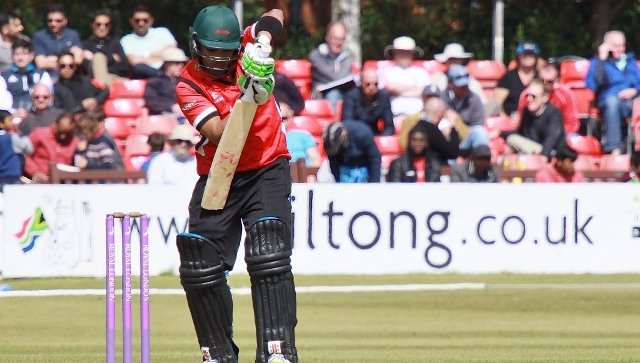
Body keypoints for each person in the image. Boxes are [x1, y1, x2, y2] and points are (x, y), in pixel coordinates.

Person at [175, 5, 298, 363]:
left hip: (266, 165)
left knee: (269, 250)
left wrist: (262, 40)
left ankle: (278, 353)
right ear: (196, 44)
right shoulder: (188, 84)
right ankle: (217, 353)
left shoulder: (247, 48)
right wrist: (251, 96)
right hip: (220, 172)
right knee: (199, 261)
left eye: (225, 53)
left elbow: (276, 12)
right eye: (210, 50)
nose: (217, 59)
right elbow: (217, 132)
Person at [586, 30, 640, 154]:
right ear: (607, 46)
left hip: (631, 100)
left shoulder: (630, 62)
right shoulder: (597, 62)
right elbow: (594, 84)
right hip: (608, 99)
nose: (620, 49)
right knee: (612, 102)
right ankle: (613, 149)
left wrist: (634, 90)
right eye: (616, 46)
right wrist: (601, 59)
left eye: (622, 45)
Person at [503, 79, 565, 160]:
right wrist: (500, 133)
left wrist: (544, 156)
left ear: (545, 98)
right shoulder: (526, 111)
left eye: (533, 96)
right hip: (532, 151)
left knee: (512, 139)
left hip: (551, 153)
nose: (529, 99)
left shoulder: (554, 113)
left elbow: (552, 137)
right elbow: (521, 134)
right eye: (527, 95)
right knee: (510, 141)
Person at [517, 62, 580, 134]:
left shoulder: (565, 95)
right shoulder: (527, 95)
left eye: (549, 81)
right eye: (542, 80)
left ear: (557, 81)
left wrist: (554, 134)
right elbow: (521, 123)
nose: (545, 84)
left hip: (560, 135)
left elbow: (572, 124)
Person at [120, 4, 178, 79]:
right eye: (137, 20)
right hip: (143, 76)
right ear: (131, 21)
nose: (141, 23)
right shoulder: (126, 40)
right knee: (138, 67)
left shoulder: (162, 32)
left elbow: (173, 52)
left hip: (168, 71)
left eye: (145, 20)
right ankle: (161, 76)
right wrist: (161, 55)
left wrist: (146, 56)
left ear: (151, 21)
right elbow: (134, 62)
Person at [380, 36, 431, 118]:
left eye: (408, 52)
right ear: (394, 53)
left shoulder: (421, 72)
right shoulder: (386, 71)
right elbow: (388, 87)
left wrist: (398, 90)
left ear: (412, 53)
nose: (404, 54)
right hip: (395, 115)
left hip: (420, 114)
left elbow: (426, 91)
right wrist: (415, 88)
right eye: (401, 51)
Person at [308, 21, 355, 111]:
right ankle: (334, 124)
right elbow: (333, 76)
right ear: (327, 38)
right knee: (334, 94)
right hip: (322, 95)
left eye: (342, 39)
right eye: (336, 39)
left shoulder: (347, 57)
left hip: (345, 92)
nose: (339, 43)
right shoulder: (317, 56)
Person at [0, 38, 53, 115]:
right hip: (13, 115)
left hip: (38, 114)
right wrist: (14, 112)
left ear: (31, 56)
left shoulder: (42, 75)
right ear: (12, 56)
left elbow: (48, 98)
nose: (20, 58)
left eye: (24, 54)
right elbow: (2, 103)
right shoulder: (4, 77)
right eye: (16, 54)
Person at [399, 96, 460, 163]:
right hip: (431, 170)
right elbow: (452, 153)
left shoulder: (416, 126)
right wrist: (453, 129)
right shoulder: (431, 130)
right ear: (440, 112)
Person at [443, 64, 490, 151]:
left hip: (465, 140)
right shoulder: (442, 98)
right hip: (445, 139)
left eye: (466, 84)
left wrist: (457, 122)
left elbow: (477, 127)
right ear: (450, 84)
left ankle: (482, 160)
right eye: (460, 86)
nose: (464, 88)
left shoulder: (474, 99)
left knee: (479, 132)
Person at [23, 111, 78, 183]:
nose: (63, 136)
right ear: (55, 124)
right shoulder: (39, 134)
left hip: (63, 182)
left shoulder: (74, 141)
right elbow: (23, 154)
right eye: (60, 132)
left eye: (67, 133)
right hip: (37, 181)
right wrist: (34, 172)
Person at [82, 9, 130, 86]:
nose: (102, 28)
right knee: (98, 57)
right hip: (93, 81)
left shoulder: (115, 43)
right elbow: (85, 66)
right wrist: (112, 58)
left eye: (106, 24)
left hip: (114, 78)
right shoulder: (86, 44)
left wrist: (95, 59)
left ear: (110, 26)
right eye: (98, 24)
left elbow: (124, 66)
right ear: (92, 25)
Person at [32, 4, 83, 75]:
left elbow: (78, 60)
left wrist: (50, 59)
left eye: (58, 21)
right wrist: (68, 60)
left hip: (70, 77)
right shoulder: (39, 36)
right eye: (50, 20)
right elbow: (40, 63)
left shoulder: (73, 35)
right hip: (48, 77)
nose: (53, 23)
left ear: (65, 21)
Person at [341, 68, 394, 135]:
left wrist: (383, 140)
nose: (372, 87)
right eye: (368, 84)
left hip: (374, 133)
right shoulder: (351, 96)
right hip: (355, 134)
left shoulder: (383, 96)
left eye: (375, 84)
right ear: (361, 83)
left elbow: (389, 126)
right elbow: (347, 123)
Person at [495, 41, 540, 120]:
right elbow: (496, 103)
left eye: (531, 54)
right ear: (518, 56)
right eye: (525, 54)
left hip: (535, 121)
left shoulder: (541, 77)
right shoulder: (508, 76)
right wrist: (505, 120)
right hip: (510, 120)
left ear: (536, 57)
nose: (528, 57)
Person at [144, 48, 188, 117]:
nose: (181, 66)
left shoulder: (185, 82)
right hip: (164, 118)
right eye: (177, 63)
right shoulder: (154, 82)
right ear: (166, 64)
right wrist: (171, 107)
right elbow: (152, 103)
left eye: (183, 63)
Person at [0, 109, 33, 185]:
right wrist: (18, 132)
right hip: (11, 176)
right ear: (1, 123)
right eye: (10, 120)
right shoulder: (12, 138)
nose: (13, 122)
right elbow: (29, 149)